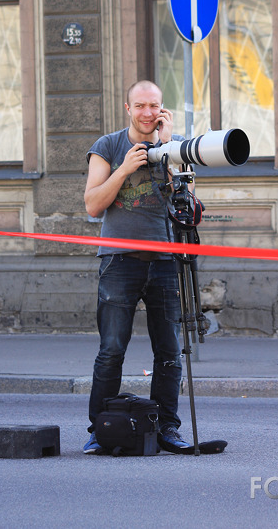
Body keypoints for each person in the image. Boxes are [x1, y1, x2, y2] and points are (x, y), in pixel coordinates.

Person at [83, 80, 190, 454]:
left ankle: (167, 428)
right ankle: (100, 428)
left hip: (165, 260)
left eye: (154, 106)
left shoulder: (174, 148)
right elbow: (93, 205)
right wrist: (124, 169)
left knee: (170, 351)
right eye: (140, 106)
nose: (147, 113)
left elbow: (188, 209)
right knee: (111, 350)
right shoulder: (108, 146)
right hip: (118, 262)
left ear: (163, 110)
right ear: (127, 107)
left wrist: (170, 149)